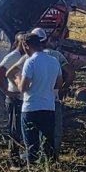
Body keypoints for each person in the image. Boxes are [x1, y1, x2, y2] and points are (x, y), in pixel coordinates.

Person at [7, 31, 63, 164]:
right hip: (49, 108)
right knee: (48, 145)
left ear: (26, 46)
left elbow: (23, 88)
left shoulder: (30, 62)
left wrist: (17, 79)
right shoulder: (54, 61)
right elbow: (59, 84)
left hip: (31, 108)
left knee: (32, 147)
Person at [28, 27, 75, 157]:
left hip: (32, 102)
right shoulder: (56, 56)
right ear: (46, 39)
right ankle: (51, 158)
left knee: (31, 133)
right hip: (51, 102)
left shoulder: (28, 58)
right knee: (53, 132)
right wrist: (62, 89)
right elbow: (70, 74)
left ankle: (34, 160)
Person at [0, 32, 29, 159]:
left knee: (22, 128)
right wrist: (7, 92)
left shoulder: (27, 57)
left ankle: (23, 154)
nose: (24, 45)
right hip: (15, 99)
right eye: (21, 42)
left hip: (23, 99)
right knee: (15, 129)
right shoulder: (14, 56)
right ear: (16, 44)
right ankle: (14, 157)